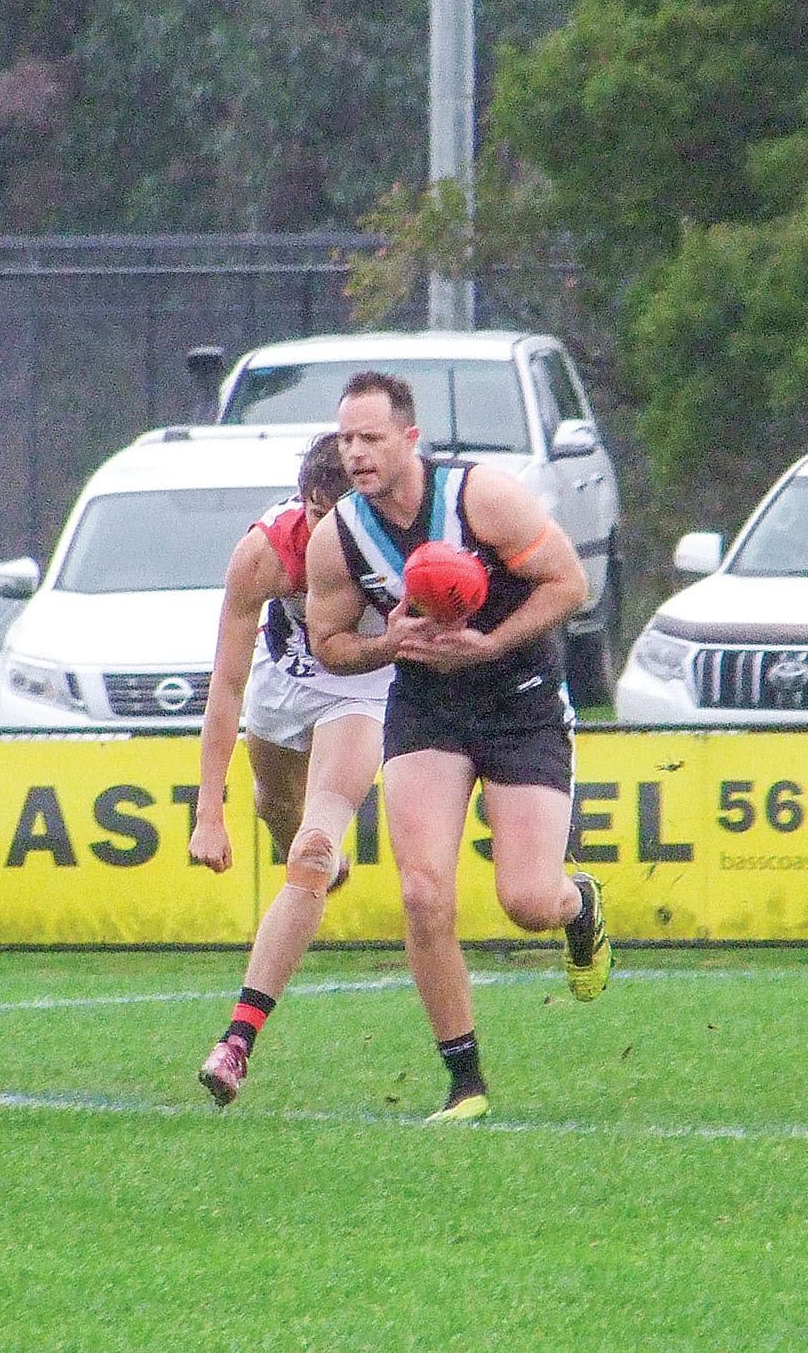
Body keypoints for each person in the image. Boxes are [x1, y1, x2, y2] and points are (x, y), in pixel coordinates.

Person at [305, 370, 611, 1123]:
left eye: (371, 437)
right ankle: (465, 1080)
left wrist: (491, 643)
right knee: (422, 891)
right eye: (346, 438)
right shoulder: (338, 536)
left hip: (520, 701)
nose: (356, 453)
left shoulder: (483, 496)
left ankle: (580, 908)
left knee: (527, 900)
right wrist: (390, 645)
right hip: (427, 704)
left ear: (410, 439)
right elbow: (330, 646)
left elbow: (570, 583)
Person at [190, 431, 393, 1107]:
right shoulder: (264, 554)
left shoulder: (395, 545)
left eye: (338, 527)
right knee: (278, 809)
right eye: (316, 522)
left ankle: (237, 1041)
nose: (323, 540)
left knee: (311, 847)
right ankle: (312, 868)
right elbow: (225, 684)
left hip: (359, 688)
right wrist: (208, 813)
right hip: (284, 685)